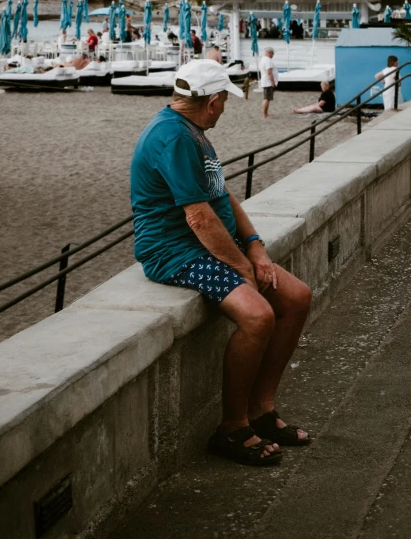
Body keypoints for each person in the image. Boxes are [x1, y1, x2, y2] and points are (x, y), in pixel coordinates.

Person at [131, 60, 312, 466]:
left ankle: (263, 411)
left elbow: (221, 195)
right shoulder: (173, 137)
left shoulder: (191, 131)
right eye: (225, 101)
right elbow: (197, 217)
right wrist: (243, 268)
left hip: (211, 245)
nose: (225, 108)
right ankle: (232, 427)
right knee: (258, 316)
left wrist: (255, 247)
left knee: (296, 297)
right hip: (174, 252)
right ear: (212, 102)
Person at [259, 47, 279, 119]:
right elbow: (269, 72)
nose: (273, 55)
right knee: (267, 98)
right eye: (272, 53)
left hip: (265, 81)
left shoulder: (263, 59)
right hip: (268, 82)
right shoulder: (268, 60)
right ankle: (265, 114)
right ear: (269, 52)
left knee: (266, 98)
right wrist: (272, 82)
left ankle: (265, 113)